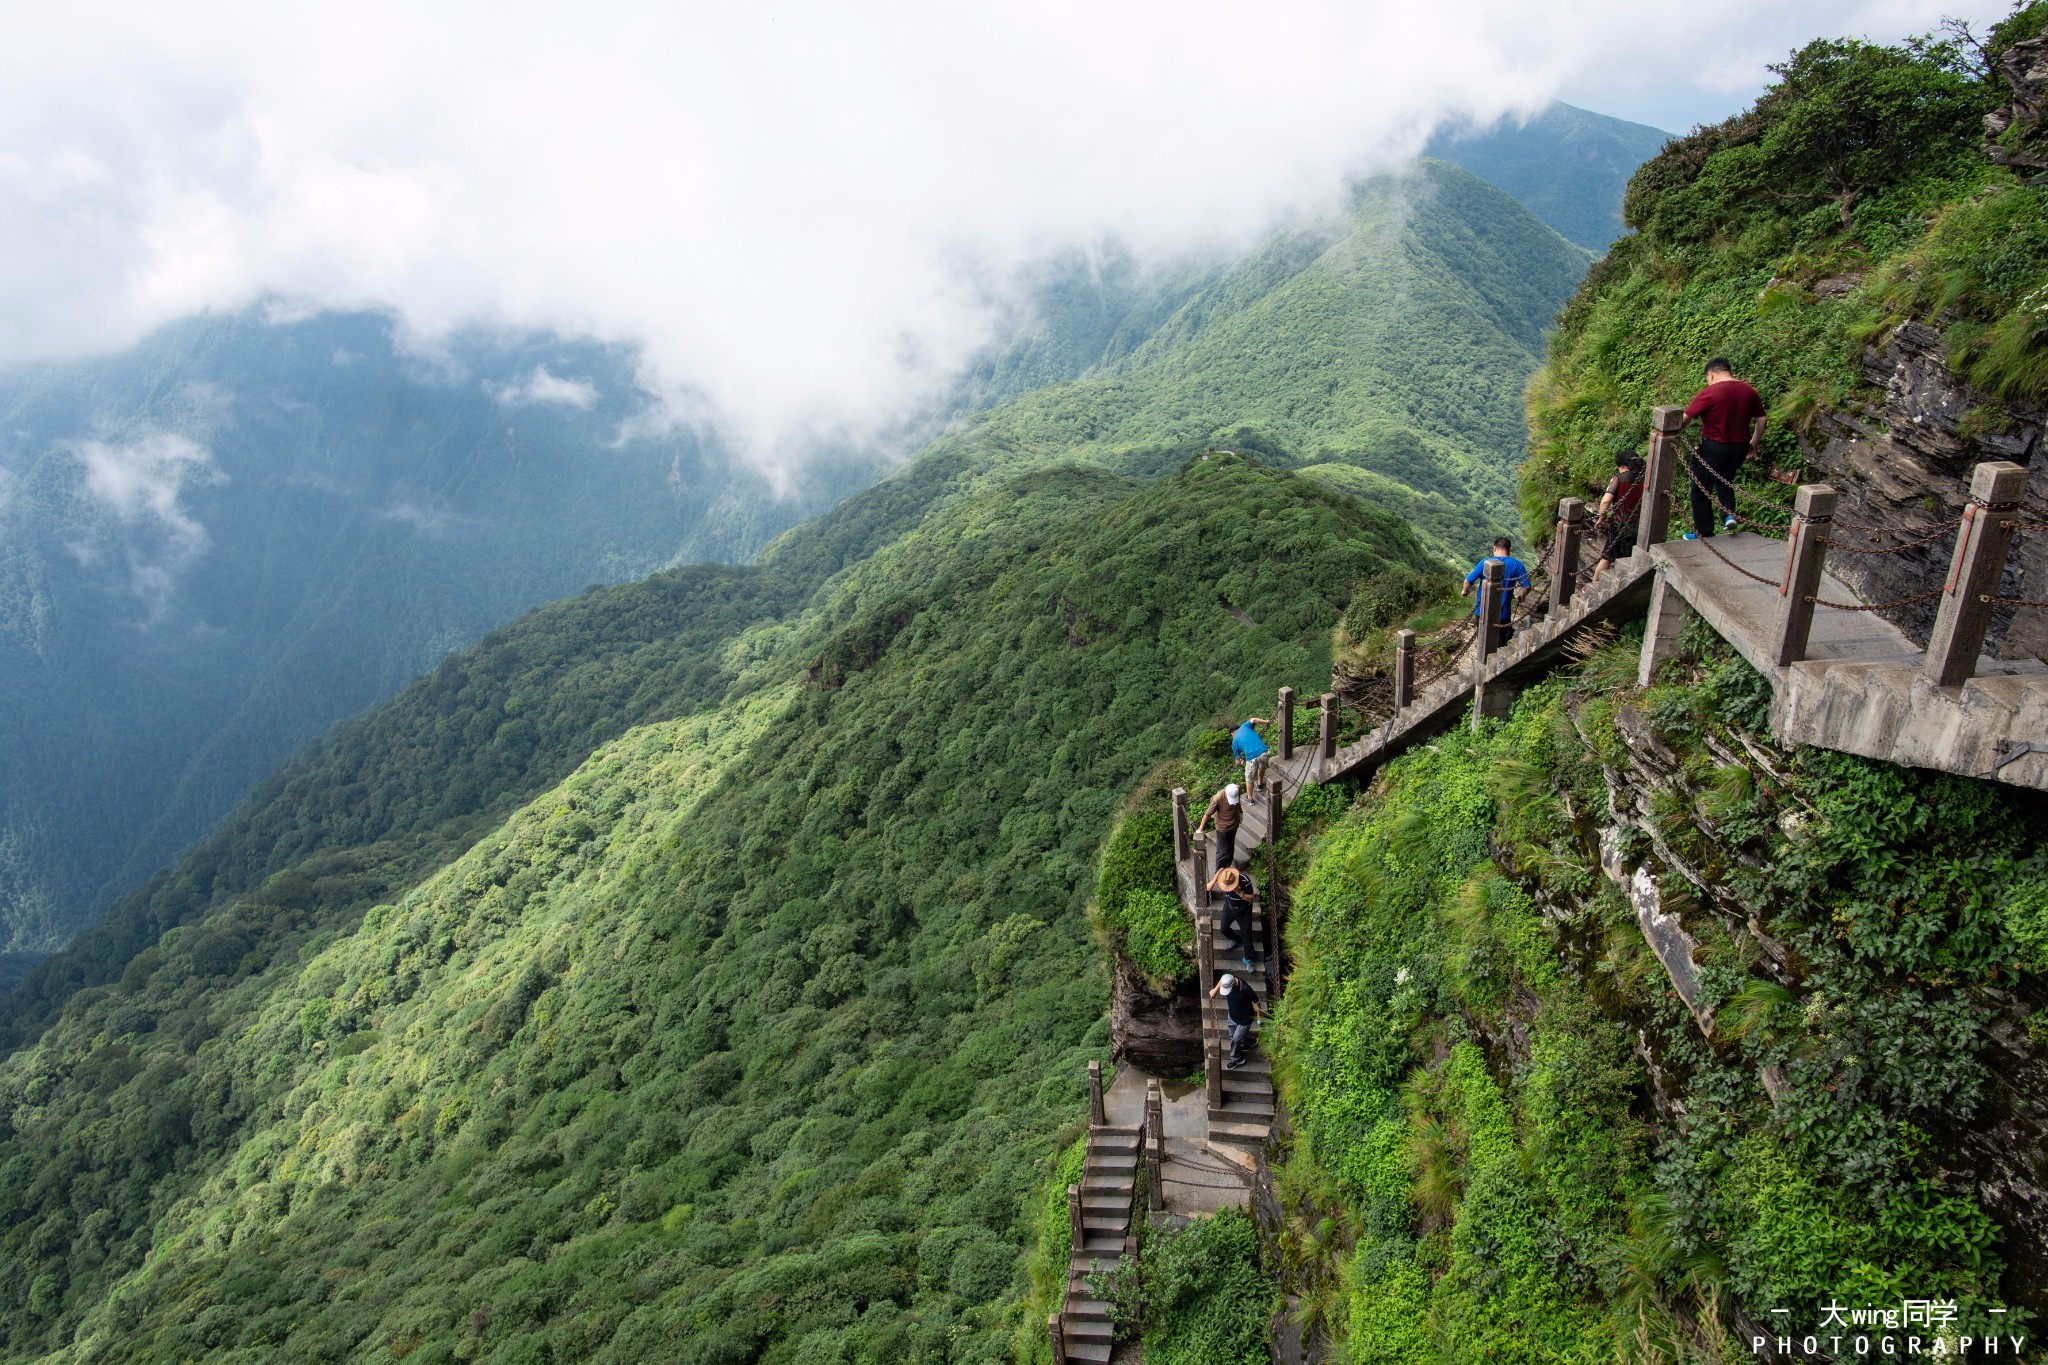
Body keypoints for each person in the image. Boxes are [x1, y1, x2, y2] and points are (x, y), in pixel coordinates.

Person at [1680, 357, 1766, 539]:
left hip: (1714, 448)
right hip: (1740, 448)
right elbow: (1762, 418)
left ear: (1710, 375)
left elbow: (1685, 418)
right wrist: (1754, 442)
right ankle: (1728, 516)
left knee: (1700, 488)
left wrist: (1672, 432)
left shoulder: (1710, 393)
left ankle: (1704, 533)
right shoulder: (1749, 390)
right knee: (1724, 480)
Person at [1459, 536, 1531, 649]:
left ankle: (1483, 662)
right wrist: (1522, 596)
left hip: (1482, 611)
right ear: (1509, 549)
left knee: (1483, 641)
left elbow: (1468, 580)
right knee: (1500, 644)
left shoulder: (1485, 562)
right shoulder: (1517, 565)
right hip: (1503, 614)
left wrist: (1465, 591)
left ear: (1494, 548)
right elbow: (1527, 586)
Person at [1592, 448, 1647, 579]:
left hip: (1619, 525)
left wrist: (1601, 518)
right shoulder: (1644, 479)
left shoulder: (1619, 478)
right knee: (1630, 558)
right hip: (1639, 526)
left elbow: (1605, 501)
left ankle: (1592, 585)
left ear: (1623, 465)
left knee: (1607, 557)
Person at [1208, 864, 1258, 970]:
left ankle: (1249, 958)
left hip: (1244, 909)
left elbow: (1251, 898)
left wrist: (1240, 893)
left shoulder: (1244, 881)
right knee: (1223, 928)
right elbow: (1210, 884)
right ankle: (1237, 939)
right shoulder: (1223, 877)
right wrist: (1214, 879)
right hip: (1230, 907)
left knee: (1247, 935)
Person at [1209, 972, 1262, 1068]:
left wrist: (1259, 1015)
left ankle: (1237, 1059)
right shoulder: (1229, 978)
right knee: (1232, 1035)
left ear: (1233, 985)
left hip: (1244, 1019)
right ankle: (1251, 1042)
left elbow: (1257, 1001)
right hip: (1232, 1016)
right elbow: (1222, 980)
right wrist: (1215, 990)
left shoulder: (1245, 988)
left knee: (1236, 1040)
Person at [1193, 782, 1242, 875]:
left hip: (1233, 825)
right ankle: (1219, 873)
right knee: (1222, 851)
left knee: (1230, 849)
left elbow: (1238, 803)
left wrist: (1240, 812)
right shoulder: (1218, 798)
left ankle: (1227, 868)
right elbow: (1207, 814)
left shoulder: (1236, 790)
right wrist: (1200, 829)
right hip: (1222, 828)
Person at [1231, 716, 1271, 792]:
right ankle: (1260, 784)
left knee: (1249, 779)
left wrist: (1241, 762)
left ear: (1232, 733)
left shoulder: (1234, 742)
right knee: (1261, 767)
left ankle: (1250, 799)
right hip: (1264, 753)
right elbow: (1254, 720)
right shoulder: (1245, 726)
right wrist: (1266, 722)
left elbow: (1237, 762)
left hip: (1252, 759)